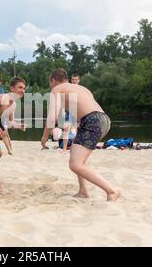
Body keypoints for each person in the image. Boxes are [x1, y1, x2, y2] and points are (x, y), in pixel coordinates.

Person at [41, 68, 121, 201]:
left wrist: (44, 137)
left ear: (53, 80)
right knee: (76, 154)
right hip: (103, 119)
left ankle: (112, 190)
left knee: (75, 164)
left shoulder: (57, 89)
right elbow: (81, 108)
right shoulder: (82, 89)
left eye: (51, 83)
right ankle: (83, 191)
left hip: (92, 121)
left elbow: (52, 118)